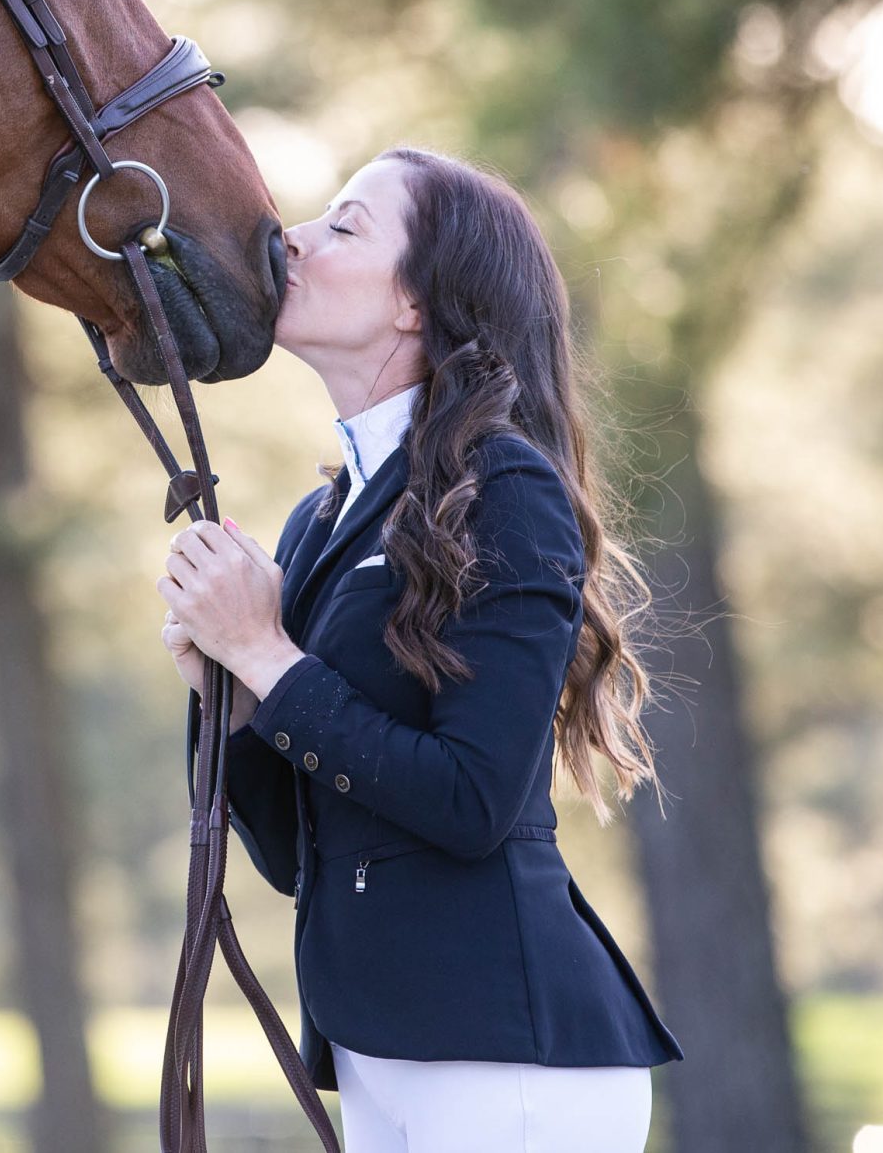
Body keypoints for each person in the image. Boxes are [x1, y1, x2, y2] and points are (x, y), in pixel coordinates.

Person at [157, 146, 683, 1152]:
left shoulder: (507, 491)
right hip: (378, 1049)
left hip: (504, 1059)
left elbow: (472, 802)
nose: (292, 239)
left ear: (416, 304)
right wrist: (224, 692)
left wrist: (268, 659)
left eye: (344, 225)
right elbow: (292, 854)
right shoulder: (322, 517)